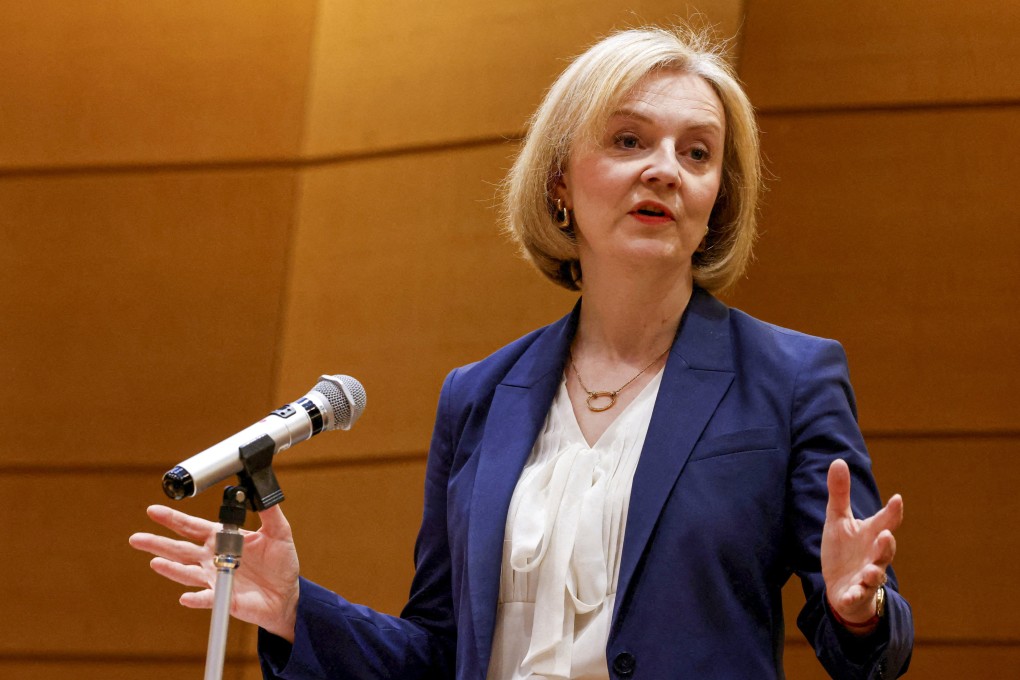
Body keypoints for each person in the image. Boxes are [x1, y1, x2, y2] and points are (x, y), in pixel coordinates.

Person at [130, 25, 913, 679]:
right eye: (629, 139)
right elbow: (440, 653)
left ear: (716, 204)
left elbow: (868, 648)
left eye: (698, 153)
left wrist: (856, 607)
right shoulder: (479, 395)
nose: (664, 170)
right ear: (560, 184)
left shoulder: (789, 380)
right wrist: (303, 611)